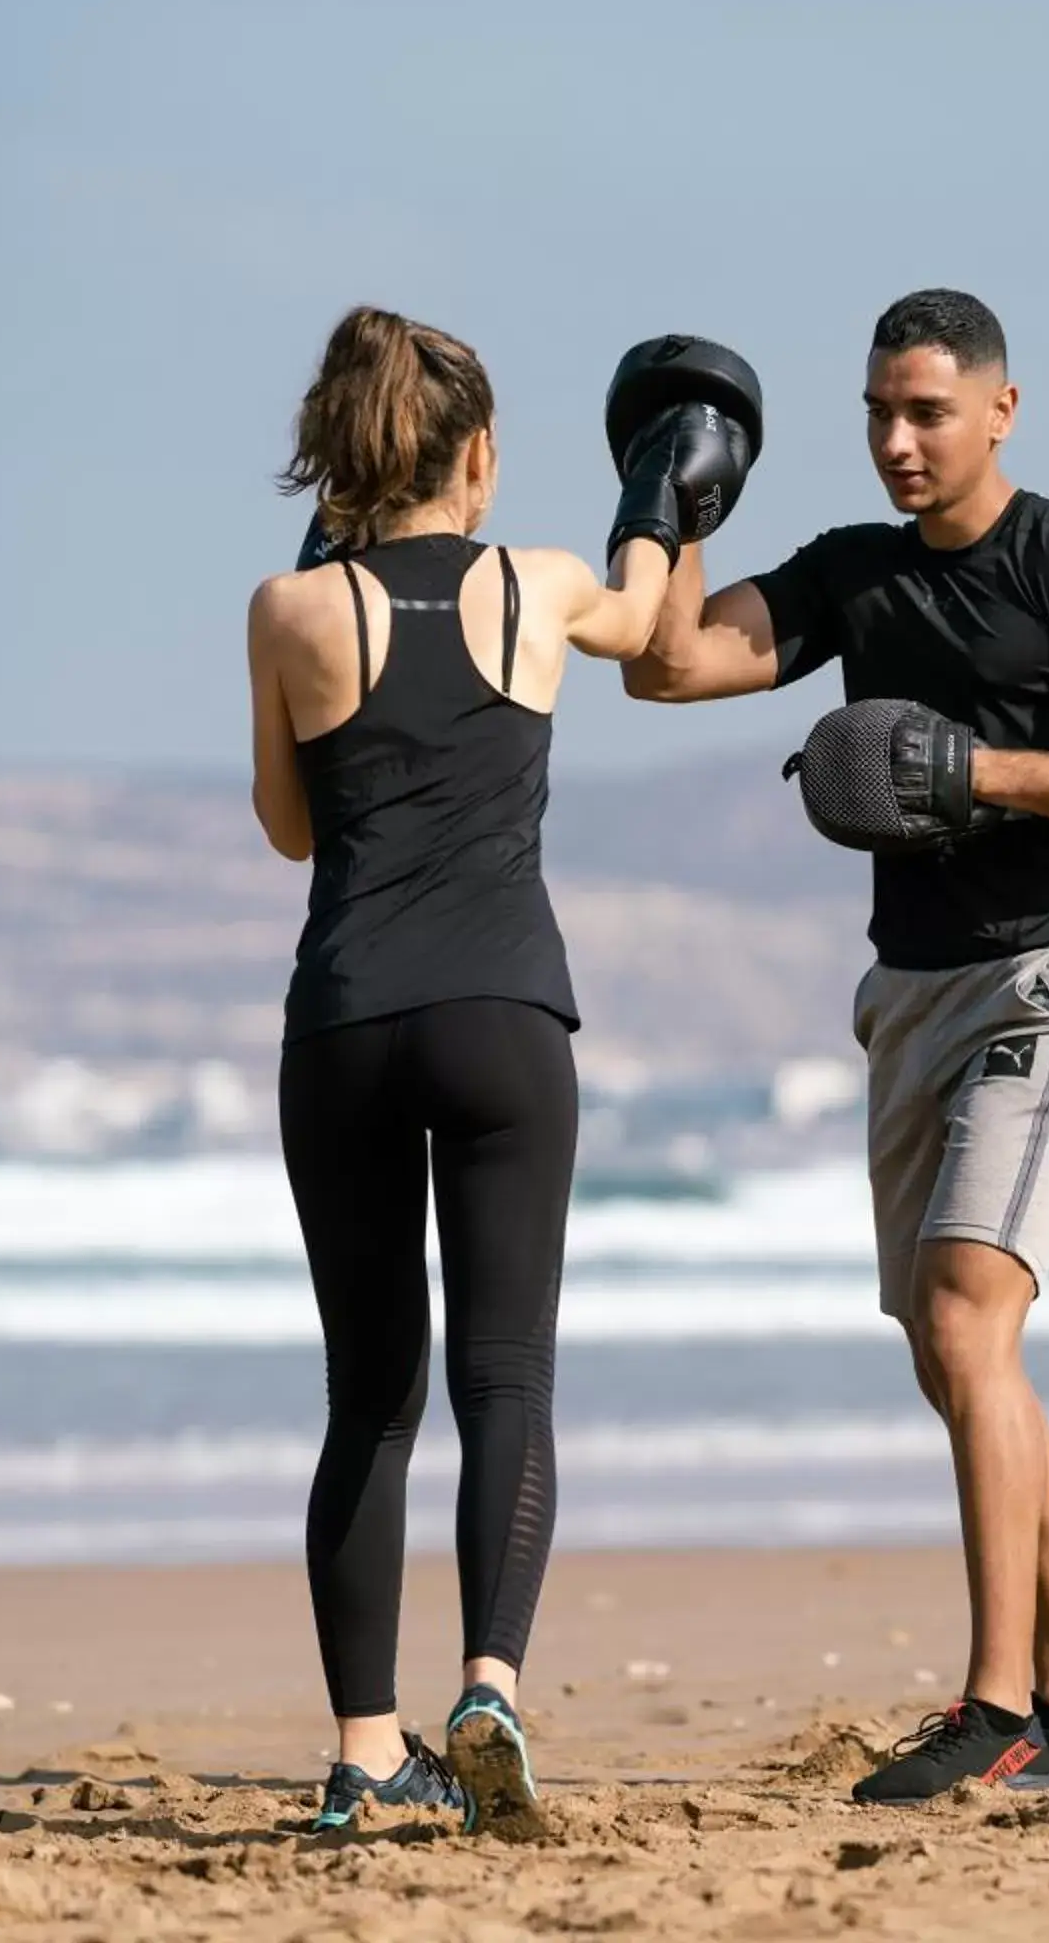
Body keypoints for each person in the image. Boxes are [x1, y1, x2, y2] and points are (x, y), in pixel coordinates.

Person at [623, 288, 1049, 1802]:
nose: (897, 440)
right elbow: (671, 666)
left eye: (928, 412)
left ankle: (998, 1708)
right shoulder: (851, 576)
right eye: (879, 412)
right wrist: (680, 504)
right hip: (912, 993)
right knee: (960, 1360)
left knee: (967, 1324)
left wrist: (985, 772)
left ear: (1000, 412)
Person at [245, 305, 738, 1835]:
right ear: (480, 455)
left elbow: (290, 829)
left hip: (343, 1023)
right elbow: (657, 621)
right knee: (506, 1374)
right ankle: (491, 1693)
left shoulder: (287, 610)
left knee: (367, 1404)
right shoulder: (539, 585)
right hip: (505, 1017)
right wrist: (670, 476)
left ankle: (355, 1754)